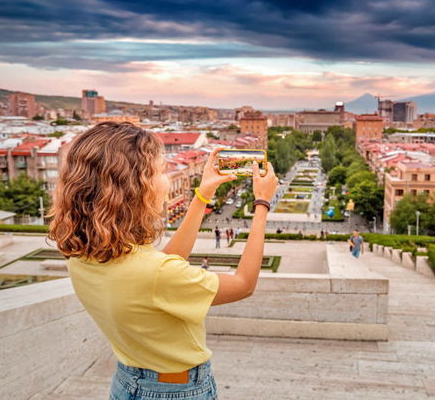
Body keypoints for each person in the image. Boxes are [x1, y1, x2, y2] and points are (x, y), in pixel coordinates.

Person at [47, 122, 278, 400]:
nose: (166, 181)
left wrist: (202, 195)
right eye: (160, 172)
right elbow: (243, 285)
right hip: (176, 391)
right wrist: (262, 203)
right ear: (136, 187)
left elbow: (164, 266)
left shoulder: (81, 255)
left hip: (128, 382)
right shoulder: (154, 273)